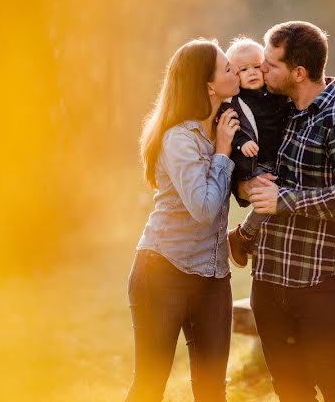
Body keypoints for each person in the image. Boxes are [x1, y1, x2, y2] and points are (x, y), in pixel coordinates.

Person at [237, 21, 335, 402]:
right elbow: (249, 171)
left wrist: (287, 199)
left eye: (270, 63)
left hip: (321, 285)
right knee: (291, 392)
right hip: (269, 282)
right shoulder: (277, 112)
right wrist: (245, 185)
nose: (261, 69)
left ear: (298, 72)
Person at [127, 38, 241, 402]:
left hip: (212, 278)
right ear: (209, 86)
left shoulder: (228, 122)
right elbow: (204, 209)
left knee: (212, 392)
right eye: (227, 68)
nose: (235, 71)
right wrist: (222, 153)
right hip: (163, 273)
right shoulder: (180, 138)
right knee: (150, 388)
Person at [220, 37, 291, 268]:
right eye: (243, 69)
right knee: (266, 193)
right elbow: (231, 125)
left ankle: (256, 238)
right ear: (234, 74)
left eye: (256, 66)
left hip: (277, 159)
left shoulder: (276, 95)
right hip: (254, 163)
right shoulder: (235, 102)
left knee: (283, 195)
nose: (251, 73)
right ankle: (244, 235)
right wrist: (241, 143)